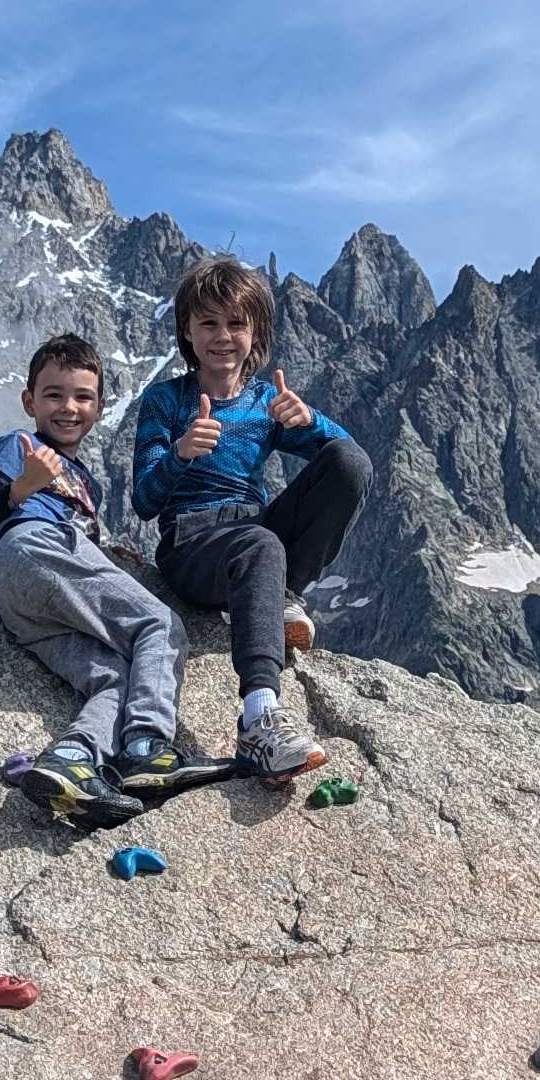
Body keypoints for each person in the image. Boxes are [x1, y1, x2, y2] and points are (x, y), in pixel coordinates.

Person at [129, 254, 370, 780]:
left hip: (254, 536)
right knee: (260, 546)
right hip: (193, 545)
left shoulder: (265, 401)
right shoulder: (165, 401)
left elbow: (347, 464)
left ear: (256, 332)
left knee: (348, 461)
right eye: (208, 323)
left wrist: (310, 421)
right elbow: (145, 500)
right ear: (186, 331)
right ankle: (259, 718)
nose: (222, 336)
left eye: (236, 323)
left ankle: (282, 595)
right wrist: (179, 455)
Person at [0, 332, 188, 823]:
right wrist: (21, 487)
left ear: (100, 407)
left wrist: (105, 553)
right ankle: (147, 745)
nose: (68, 407)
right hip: (36, 548)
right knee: (159, 626)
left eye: (83, 396)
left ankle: (73, 760)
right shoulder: (20, 446)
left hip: (28, 609)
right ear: (29, 401)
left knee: (113, 677)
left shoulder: (89, 483)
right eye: (54, 395)